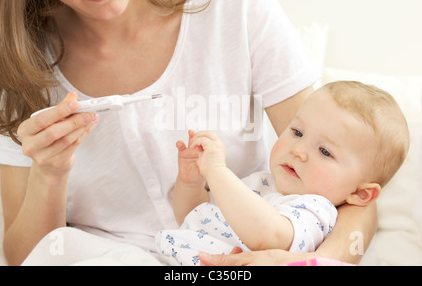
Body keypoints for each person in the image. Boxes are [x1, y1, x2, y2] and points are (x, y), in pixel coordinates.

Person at [0, 0, 375, 266]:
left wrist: (300, 262)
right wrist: (50, 173)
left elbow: (351, 189)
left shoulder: (235, 4)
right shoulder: (16, 61)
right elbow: (26, 256)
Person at [156, 81, 410, 265]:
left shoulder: (317, 211)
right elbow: (194, 219)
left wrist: (217, 171)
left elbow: (269, 236)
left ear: (361, 193)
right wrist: (191, 184)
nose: (298, 150)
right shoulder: (262, 182)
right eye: (297, 132)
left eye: (325, 152)